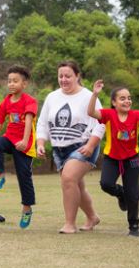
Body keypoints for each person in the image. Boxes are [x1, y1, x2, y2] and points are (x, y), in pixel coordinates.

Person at [36, 61, 105, 234]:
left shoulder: (89, 96)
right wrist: (40, 143)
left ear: (77, 76)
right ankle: (92, 217)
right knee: (76, 186)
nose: (64, 80)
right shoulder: (52, 97)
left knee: (68, 179)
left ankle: (69, 224)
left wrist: (90, 145)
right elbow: (43, 122)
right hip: (60, 149)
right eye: (61, 76)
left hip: (83, 146)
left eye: (68, 76)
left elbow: (101, 124)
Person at [86, 80, 139, 237]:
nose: (127, 101)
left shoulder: (136, 115)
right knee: (106, 184)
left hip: (132, 159)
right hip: (112, 158)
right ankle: (121, 194)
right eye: (122, 98)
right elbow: (91, 112)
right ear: (114, 102)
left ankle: (134, 225)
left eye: (129, 98)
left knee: (134, 194)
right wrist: (95, 94)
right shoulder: (108, 114)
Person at [0, 66, 39, 229]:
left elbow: (28, 121)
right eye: (9, 81)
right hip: (10, 139)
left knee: (24, 175)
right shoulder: (6, 101)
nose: (11, 84)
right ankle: (0, 175)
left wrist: (25, 141)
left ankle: (27, 209)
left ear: (24, 84)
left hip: (25, 144)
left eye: (15, 81)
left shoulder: (29, 101)